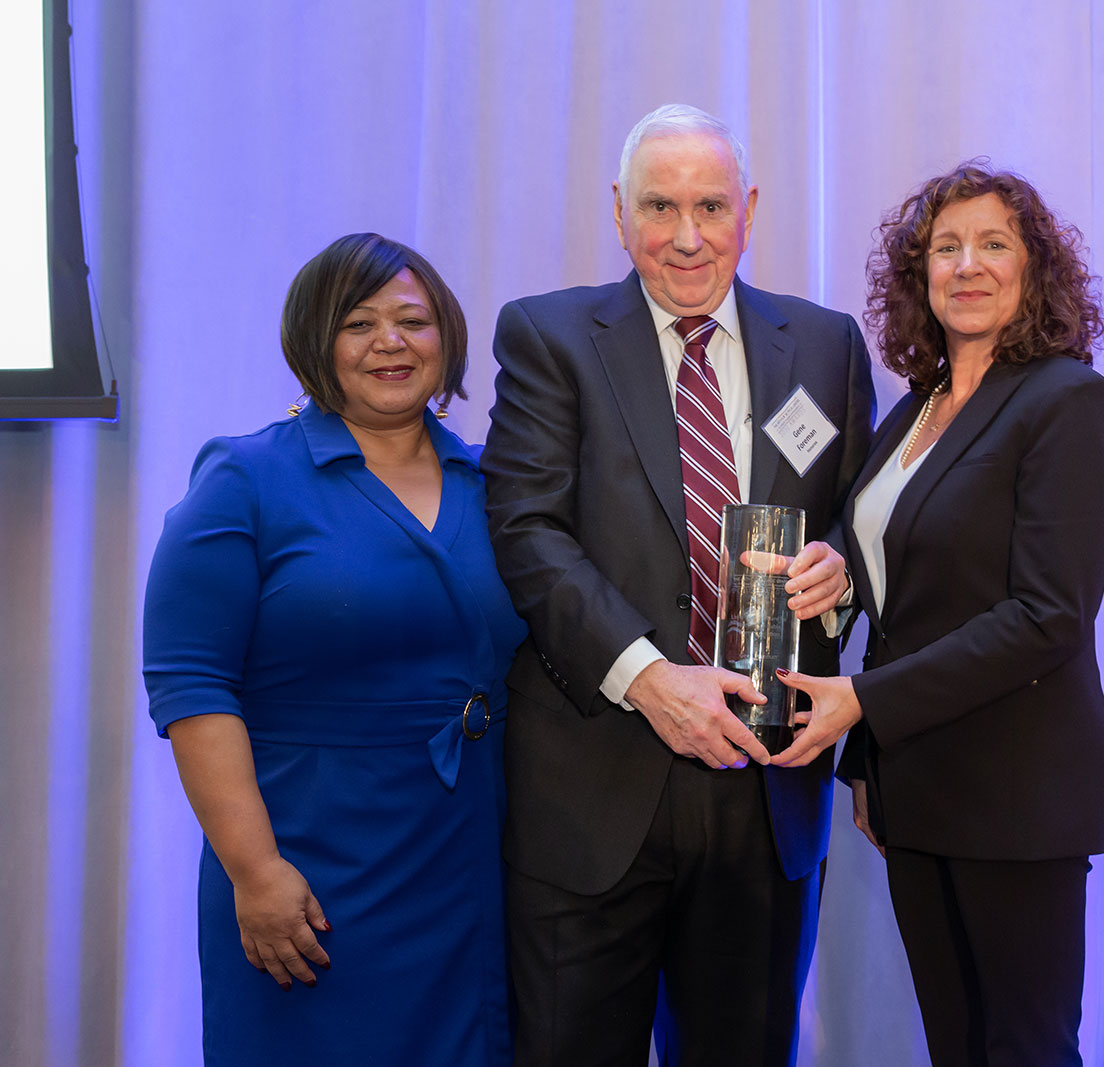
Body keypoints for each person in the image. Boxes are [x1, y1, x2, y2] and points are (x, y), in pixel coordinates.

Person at [482, 104, 875, 1065]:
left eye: (710, 205)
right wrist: (651, 679)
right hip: (592, 781)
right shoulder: (549, 336)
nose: (687, 236)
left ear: (748, 210)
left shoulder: (826, 346)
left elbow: (865, 521)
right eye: (660, 206)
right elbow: (527, 532)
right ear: (620, 213)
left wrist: (844, 570)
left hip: (765, 785)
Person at [772, 162, 1104, 1065]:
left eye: (993, 244)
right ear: (919, 274)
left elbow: (1048, 615)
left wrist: (862, 702)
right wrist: (840, 573)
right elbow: (907, 573)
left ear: (1034, 268)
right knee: (957, 1046)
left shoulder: (1067, 401)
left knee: (1024, 1047)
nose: (966, 265)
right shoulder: (915, 409)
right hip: (916, 787)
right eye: (945, 248)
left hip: (1018, 793)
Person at [142, 233, 524, 1066]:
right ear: (315, 341)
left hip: (466, 864)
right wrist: (255, 871)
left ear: (448, 339)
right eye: (359, 322)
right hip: (306, 872)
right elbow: (192, 687)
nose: (391, 341)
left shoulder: (497, 485)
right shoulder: (244, 479)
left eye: (413, 321)